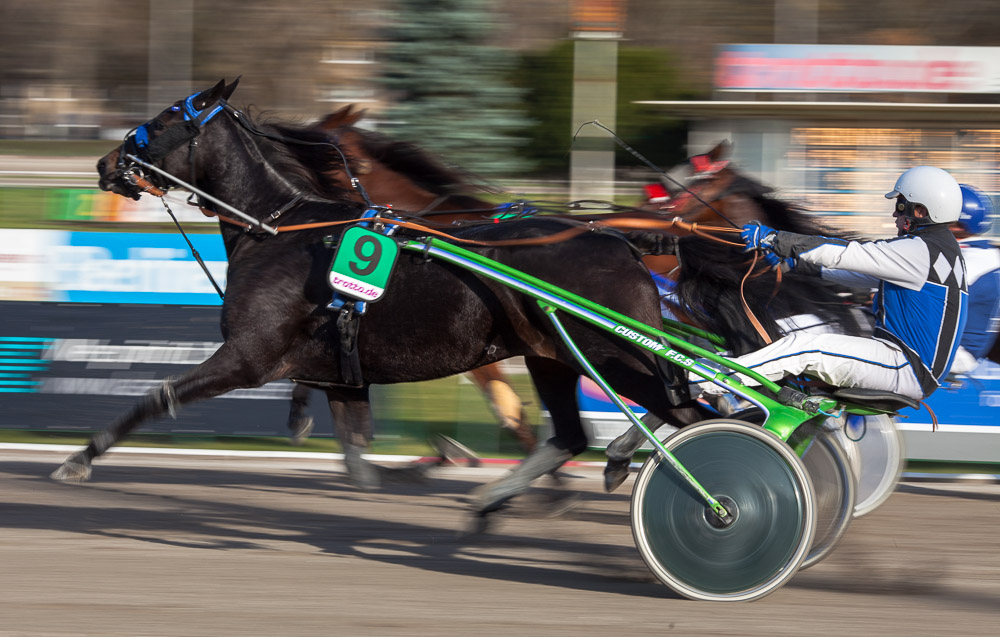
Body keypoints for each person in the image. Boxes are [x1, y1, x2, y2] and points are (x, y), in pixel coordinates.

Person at [701, 166, 969, 402]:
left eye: (899, 205)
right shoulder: (940, 251)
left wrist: (774, 239)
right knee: (798, 343)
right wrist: (799, 266)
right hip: (907, 366)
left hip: (905, 367)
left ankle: (704, 380)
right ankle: (718, 368)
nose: (894, 215)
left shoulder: (920, 250)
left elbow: (846, 253)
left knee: (805, 347)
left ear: (920, 210)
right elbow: (861, 274)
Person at [947, 184, 1000, 374]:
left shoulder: (975, 259)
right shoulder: (980, 253)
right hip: (947, 348)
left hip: (956, 355)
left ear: (955, 224)